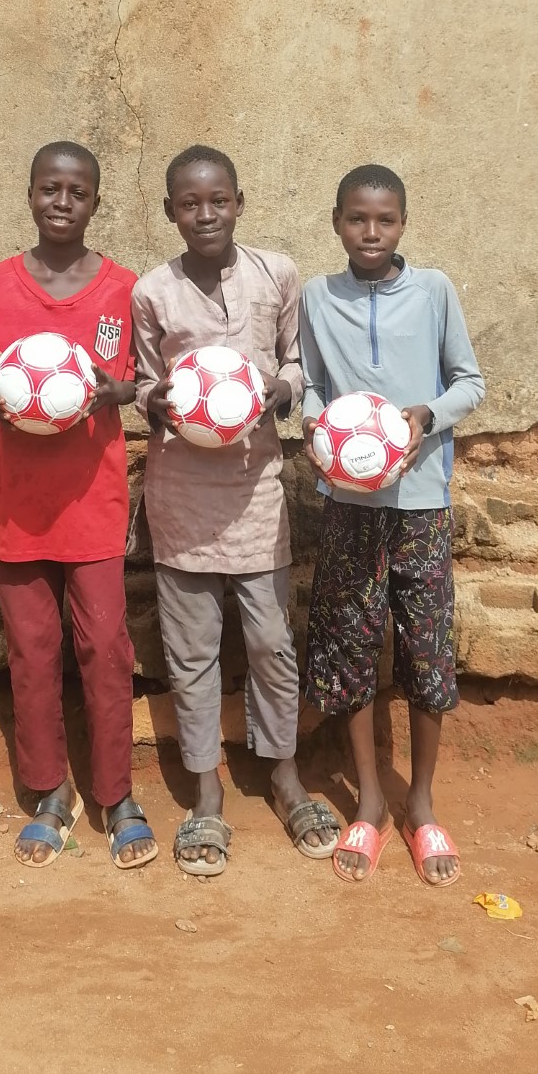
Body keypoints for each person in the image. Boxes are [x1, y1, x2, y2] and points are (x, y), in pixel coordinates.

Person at [131, 144, 340, 876]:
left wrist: (282, 389)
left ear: (239, 203)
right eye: (190, 204)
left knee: (271, 641)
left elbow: (297, 360)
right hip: (182, 493)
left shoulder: (277, 274)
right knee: (191, 651)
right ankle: (206, 792)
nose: (206, 214)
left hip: (256, 490)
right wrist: (158, 401)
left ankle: (283, 774)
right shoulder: (152, 291)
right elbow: (143, 381)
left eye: (218, 201)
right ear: (170, 212)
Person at [0, 141, 157, 871]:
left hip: (92, 497)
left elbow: (136, 381)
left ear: (96, 203)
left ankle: (116, 794)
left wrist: (114, 392)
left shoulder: (122, 288)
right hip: (19, 502)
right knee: (32, 648)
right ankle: (50, 790)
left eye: (78, 192)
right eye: (50, 188)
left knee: (106, 646)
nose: (62, 202)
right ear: (30, 195)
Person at [300, 163, 485, 885]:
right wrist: (316, 423)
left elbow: (469, 382)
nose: (370, 232)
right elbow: (312, 381)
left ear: (403, 223)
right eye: (357, 219)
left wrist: (424, 416)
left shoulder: (434, 291)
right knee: (351, 646)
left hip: (421, 506)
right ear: (337, 222)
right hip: (350, 506)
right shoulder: (318, 297)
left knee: (426, 649)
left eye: (384, 220)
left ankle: (423, 802)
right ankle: (370, 802)